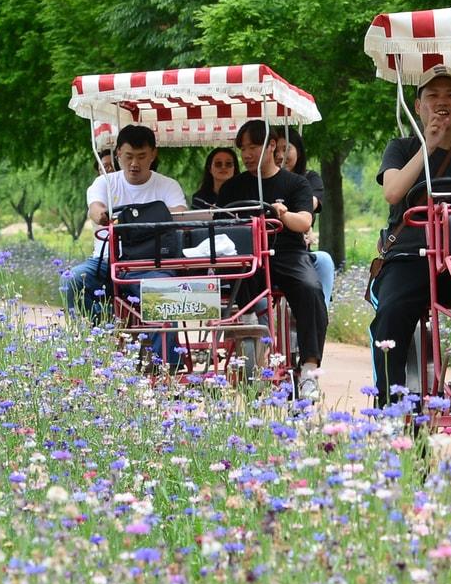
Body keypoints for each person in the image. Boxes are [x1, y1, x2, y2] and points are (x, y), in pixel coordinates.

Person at [369, 65, 451, 406]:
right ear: (419, 105)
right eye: (433, 96)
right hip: (409, 256)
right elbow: (393, 192)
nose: (442, 103)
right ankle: (390, 403)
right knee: (391, 314)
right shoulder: (400, 147)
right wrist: (429, 145)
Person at [217, 120, 327, 400]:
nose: (247, 154)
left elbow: (304, 221)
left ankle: (309, 370)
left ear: (272, 146)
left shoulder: (296, 183)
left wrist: (282, 214)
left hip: (288, 252)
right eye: (243, 148)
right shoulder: (232, 188)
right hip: (249, 255)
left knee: (311, 288)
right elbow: (221, 226)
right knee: (240, 279)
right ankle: (251, 344)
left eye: (253, 146)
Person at [59, 125, 188, 324]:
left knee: (163, 295)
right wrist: (102, 215)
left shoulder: (168, 186)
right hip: (107, 261)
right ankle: (99, 330)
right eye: (128, 156)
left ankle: (163, 352)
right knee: (72, 280)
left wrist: (133, 218)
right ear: (118, 154)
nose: (134, 163)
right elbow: (95, 209)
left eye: (142, 156)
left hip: (152, 263)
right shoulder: (104, 183)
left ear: (153, 154)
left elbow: (180, 213)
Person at [276, 133, 335, 309]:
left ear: (298, 151)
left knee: (324, 260)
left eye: (286, 149)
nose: (280, 155)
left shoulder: (309, 179)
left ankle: (320, 312)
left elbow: (311, 203)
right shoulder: (263, 182)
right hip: (272, 251)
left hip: (299, 252)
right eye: (276, 150)